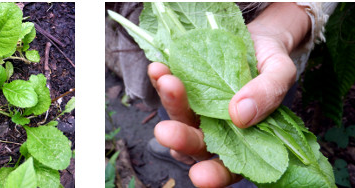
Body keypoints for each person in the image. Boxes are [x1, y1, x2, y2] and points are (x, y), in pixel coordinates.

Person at [141, 2, 336, 187]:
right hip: (178, 78)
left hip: (266, 66)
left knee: (257, 155)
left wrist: (283, 25)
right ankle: (180, 152)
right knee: (175, 110)